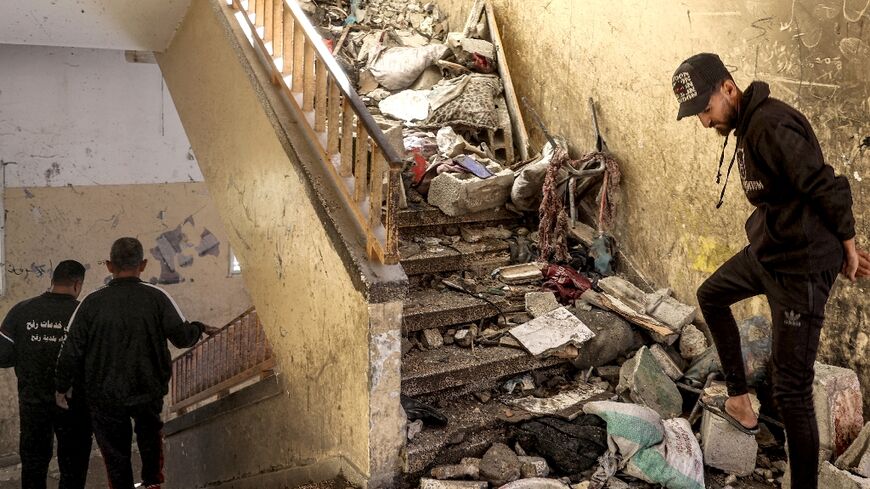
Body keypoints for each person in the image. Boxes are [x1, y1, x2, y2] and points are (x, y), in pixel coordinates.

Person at [672, 52, 870, 488]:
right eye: (698, 116)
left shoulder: (771, 125)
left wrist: (846, 248)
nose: (704, 122)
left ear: (728, 88)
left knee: (791, 391)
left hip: (799, 269)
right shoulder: (746, 127)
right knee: (711, 295)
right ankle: (740, 400)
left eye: (705, 109)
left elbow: (826, 184)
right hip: (769, 252)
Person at [55, 237, 219, 489]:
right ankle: (152, 483)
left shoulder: (91, 303)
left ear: (109, 265)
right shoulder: (157, 297)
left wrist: (61, 387)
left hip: (104, 396)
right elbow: (182, 338)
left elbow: (71, 351)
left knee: (116, 455)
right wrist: (200, 327)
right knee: (150, 442)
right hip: (148, 390)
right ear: (142, 265)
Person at [0, 260, 93, 489]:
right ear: (77, 284)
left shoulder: (22, 310)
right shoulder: (84, 314)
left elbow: (2, 356)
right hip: (74, 405)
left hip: (33, 403)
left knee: (33, 464)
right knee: (73, 466)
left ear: (52, 281)